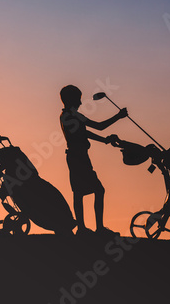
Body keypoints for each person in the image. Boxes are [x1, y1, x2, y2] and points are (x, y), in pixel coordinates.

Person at [59, 85, 128, 236]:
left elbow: (85, 132)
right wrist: (118, 116)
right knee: (97, 190)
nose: (81, 103)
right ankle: (97, 228)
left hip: (76, 156)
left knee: (79, 192)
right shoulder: (73, 116)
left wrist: (104, 141)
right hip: (79, 157)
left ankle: (83, 228)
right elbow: (99, 126)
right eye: (78, 99)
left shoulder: (66, 116)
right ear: (72, 100)